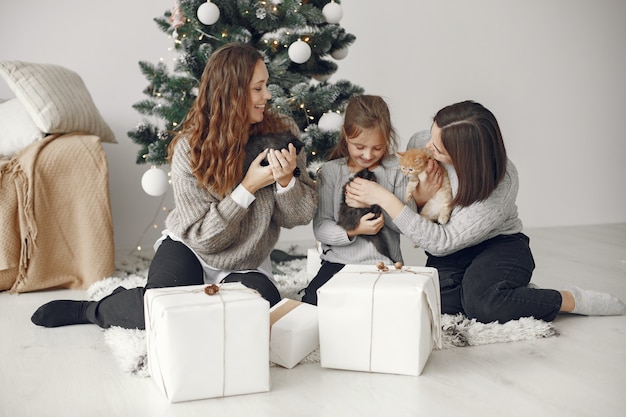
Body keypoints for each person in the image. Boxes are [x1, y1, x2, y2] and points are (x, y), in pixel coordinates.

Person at [31, 43, 318, 329]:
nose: (267, 96)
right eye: (258, 88)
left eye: (266, 85)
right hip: (192, 247)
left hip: (248, 260)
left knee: (247, 315)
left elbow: (299, 216)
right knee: (159, 310)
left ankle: (189, 302)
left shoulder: (281, 133)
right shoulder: (189, 149)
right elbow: (204, 239)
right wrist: (247, 188)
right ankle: (93, 310)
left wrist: (285, 181)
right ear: (232, 93)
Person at [345, 100, 625, 323]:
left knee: (483, 304)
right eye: (431, 136)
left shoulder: (500, 185)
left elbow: (441, 243)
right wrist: (419, 198)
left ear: (465, 155)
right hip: (453, 252)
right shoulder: (424, 142)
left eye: (438, 148)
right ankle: (509, 294)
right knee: (428, 301)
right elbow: (420, 208)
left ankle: (566, 299)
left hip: (497, 246)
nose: (427, 146)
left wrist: (383, 198)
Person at [301, 95, 411, 305]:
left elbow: (409, 226)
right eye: (359, 147)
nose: (368, 155)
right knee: (312, 306)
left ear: (387, 138)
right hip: (339, 264)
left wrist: (379, 199)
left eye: (377, 148)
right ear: (345, 135)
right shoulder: (331, 172)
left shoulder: (397, 171)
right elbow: (321, 228)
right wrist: (353, 230)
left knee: (389, 310)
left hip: (384, 265)